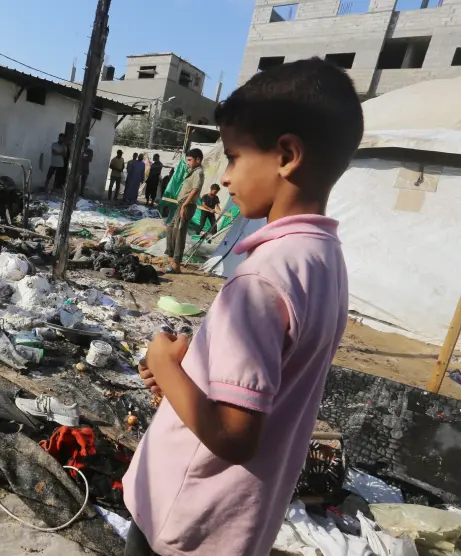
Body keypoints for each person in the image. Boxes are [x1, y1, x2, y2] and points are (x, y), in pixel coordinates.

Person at [122, 58, 364, 556]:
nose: (226, 178)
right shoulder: (324, 260)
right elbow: (264, 386)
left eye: (233, 157)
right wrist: (183, 375)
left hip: (184, 520)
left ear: (287, 155)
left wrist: (167, 365)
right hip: (238, 523)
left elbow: (234, 436)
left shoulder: (260, 279)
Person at [163, 148, 204, 270]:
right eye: (187, 160)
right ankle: (171, 257)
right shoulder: (193, 171)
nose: (188, 163)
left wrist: (185, 205)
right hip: (182, 204)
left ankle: (176, 263)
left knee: (180, 232)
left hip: (187, 205)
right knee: (171, 228)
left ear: (198, 160)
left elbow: (195, 189)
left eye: (190, 160)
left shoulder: (199, 172)